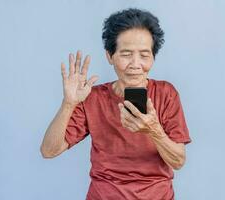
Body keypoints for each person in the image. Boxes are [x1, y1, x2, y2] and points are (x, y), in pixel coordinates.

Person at [40, 8, 191, 200]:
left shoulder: (166, 94)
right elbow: (49, 150)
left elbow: (178, 161)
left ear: (153, 57)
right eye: (126, 54)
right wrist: (68, 104)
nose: (135, 64)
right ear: (110, 56)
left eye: (144, 55)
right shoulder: (93, 98)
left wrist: (154, 130)